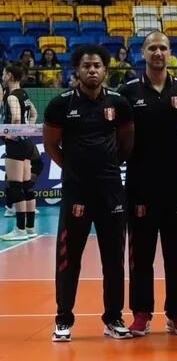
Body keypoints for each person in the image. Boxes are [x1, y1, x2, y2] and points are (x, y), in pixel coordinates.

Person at [43, 44, 134, 342]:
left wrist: (107, 167)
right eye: (86, 66)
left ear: (105, 69)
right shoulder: (60, 104)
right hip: (76, 193)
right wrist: (73, 170)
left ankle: (113, 318)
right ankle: (63, 319)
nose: (92, 70)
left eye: (97, 65)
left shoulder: (119, 104)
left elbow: (126, 144)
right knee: (69, 259)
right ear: (77, 70)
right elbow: (51, 146)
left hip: (111, 193)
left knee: (114, 259)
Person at [118, 32, 177, 337]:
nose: (158, 52)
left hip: (176, 185)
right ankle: (141, 312)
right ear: (143, 53)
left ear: (170, 52)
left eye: (163, 47)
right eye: (152, 47)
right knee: (142, 256)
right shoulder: (127, 91)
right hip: (140, 185)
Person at [2, 62, 39, 241]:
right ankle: (30, 228)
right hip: (27, 142)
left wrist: (11, 134)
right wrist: (28, 130)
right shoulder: (24, 93)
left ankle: (20, 229)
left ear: (9, 75)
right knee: (26, 186)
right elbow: (34, 113)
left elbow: (16, 117)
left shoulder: (11, 96)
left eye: (4, 73)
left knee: (16, 186)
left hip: (16, 144)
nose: (2, 76)